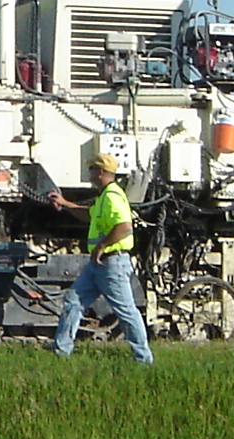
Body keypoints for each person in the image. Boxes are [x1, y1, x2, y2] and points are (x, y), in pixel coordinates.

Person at [48, 152, 155, 364]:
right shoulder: (105, 196)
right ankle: (61, 352)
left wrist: (102, 247)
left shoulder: (113, 196)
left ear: (100, 172)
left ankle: (143, 359)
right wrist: (67, 204)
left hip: (111, 262)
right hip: (100, 264)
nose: (88, 173)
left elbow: (124, 227)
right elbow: (89, 215)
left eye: (91, 169)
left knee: (125, 311)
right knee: (73, 300)